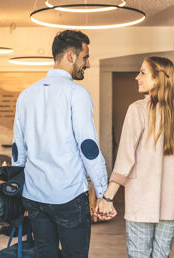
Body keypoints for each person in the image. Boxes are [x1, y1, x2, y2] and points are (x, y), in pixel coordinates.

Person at [12, 30, 108, 258]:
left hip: (35, 195)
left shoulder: (26, 95)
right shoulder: (77, 94)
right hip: (69, 195)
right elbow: (88, 147)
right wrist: (103, 192)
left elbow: (18, 150)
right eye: (85, 57)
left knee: (44, 254)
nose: (88, 64)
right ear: (71, 57)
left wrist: (17, 190)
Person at [96, 56, 174, 257]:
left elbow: (125, 159)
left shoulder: (137, 110)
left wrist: (108, 197)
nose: (137, 77)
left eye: (143, 72)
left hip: (141, 202)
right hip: (171, 204)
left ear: (158, 80)